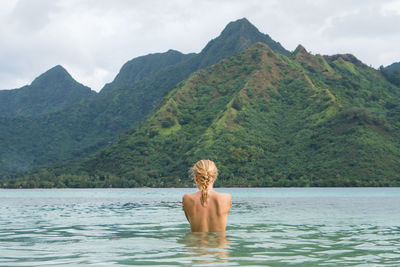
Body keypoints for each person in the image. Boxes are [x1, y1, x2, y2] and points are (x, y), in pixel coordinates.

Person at [182, 159, 232, 232]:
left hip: (196, 243)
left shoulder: (187, 198)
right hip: (219, 243)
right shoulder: (226, 198)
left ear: (196, 178)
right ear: (214, 177)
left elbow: (192, 222)